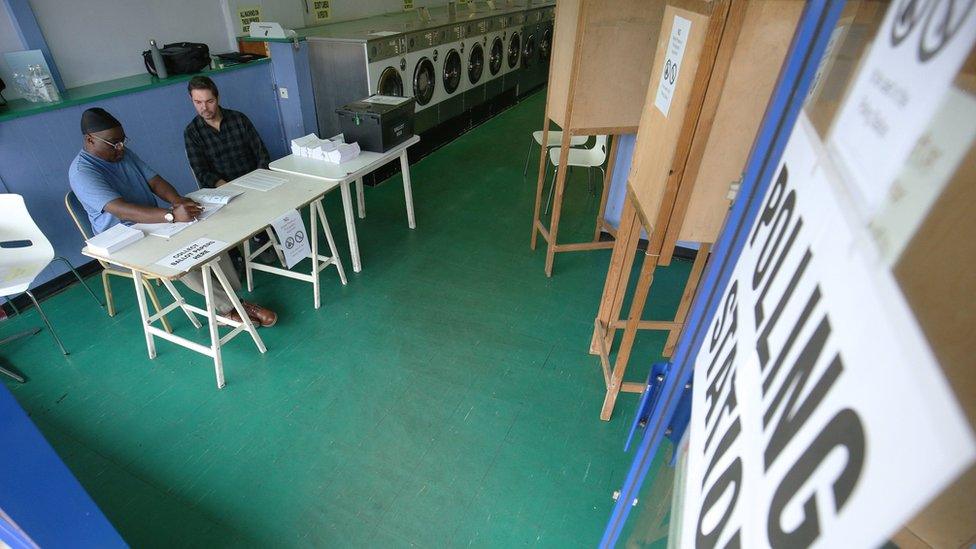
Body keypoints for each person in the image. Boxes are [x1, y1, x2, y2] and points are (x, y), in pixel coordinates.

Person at [68, 107, 277, 327]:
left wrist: (177, 201)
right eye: (113, 143)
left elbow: (155, 181)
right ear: (90, 140)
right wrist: (171, 216)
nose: (120, 148)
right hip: (124, 240)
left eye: (123, 141)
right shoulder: (83, 172)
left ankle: (233, 300)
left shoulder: (123, 154)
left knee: (208, 233)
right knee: (182, 256)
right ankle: (230, 308)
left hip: (154, 225)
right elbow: (120, 209)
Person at [183, 75, 273, 263]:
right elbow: (201, 170)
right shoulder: (192, 132)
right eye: (197, 102)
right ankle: (235, 256)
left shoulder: (238, 119)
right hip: (220, 189)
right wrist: (225, 187)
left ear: (218, 98)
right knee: (225, 225)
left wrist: (260, 177)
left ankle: (262, 237)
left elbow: (261, 152)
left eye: (209, 101)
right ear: (190, 100)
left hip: (253, 180)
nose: (204, 108)